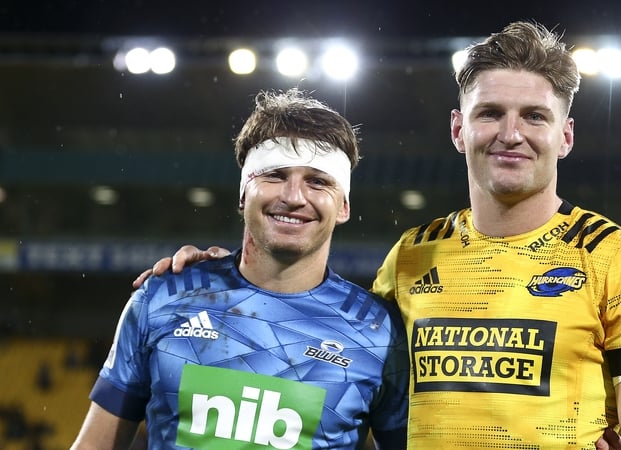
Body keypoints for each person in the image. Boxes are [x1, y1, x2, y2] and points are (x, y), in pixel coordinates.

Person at [138, 20, 621, 449]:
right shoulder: (410, 257)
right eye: (490, 113)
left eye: (535, 117)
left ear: (564, 136)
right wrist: (229, 279)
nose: (511, 134)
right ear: (458, 129)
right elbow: (333, 350)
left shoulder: (620, 260)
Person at [72, 89, 409, 450]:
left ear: (343, 206)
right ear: (243, 193)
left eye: (318, 181)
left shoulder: (380, 331)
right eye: (275, 175)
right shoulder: (162, 298)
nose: (294, 197)